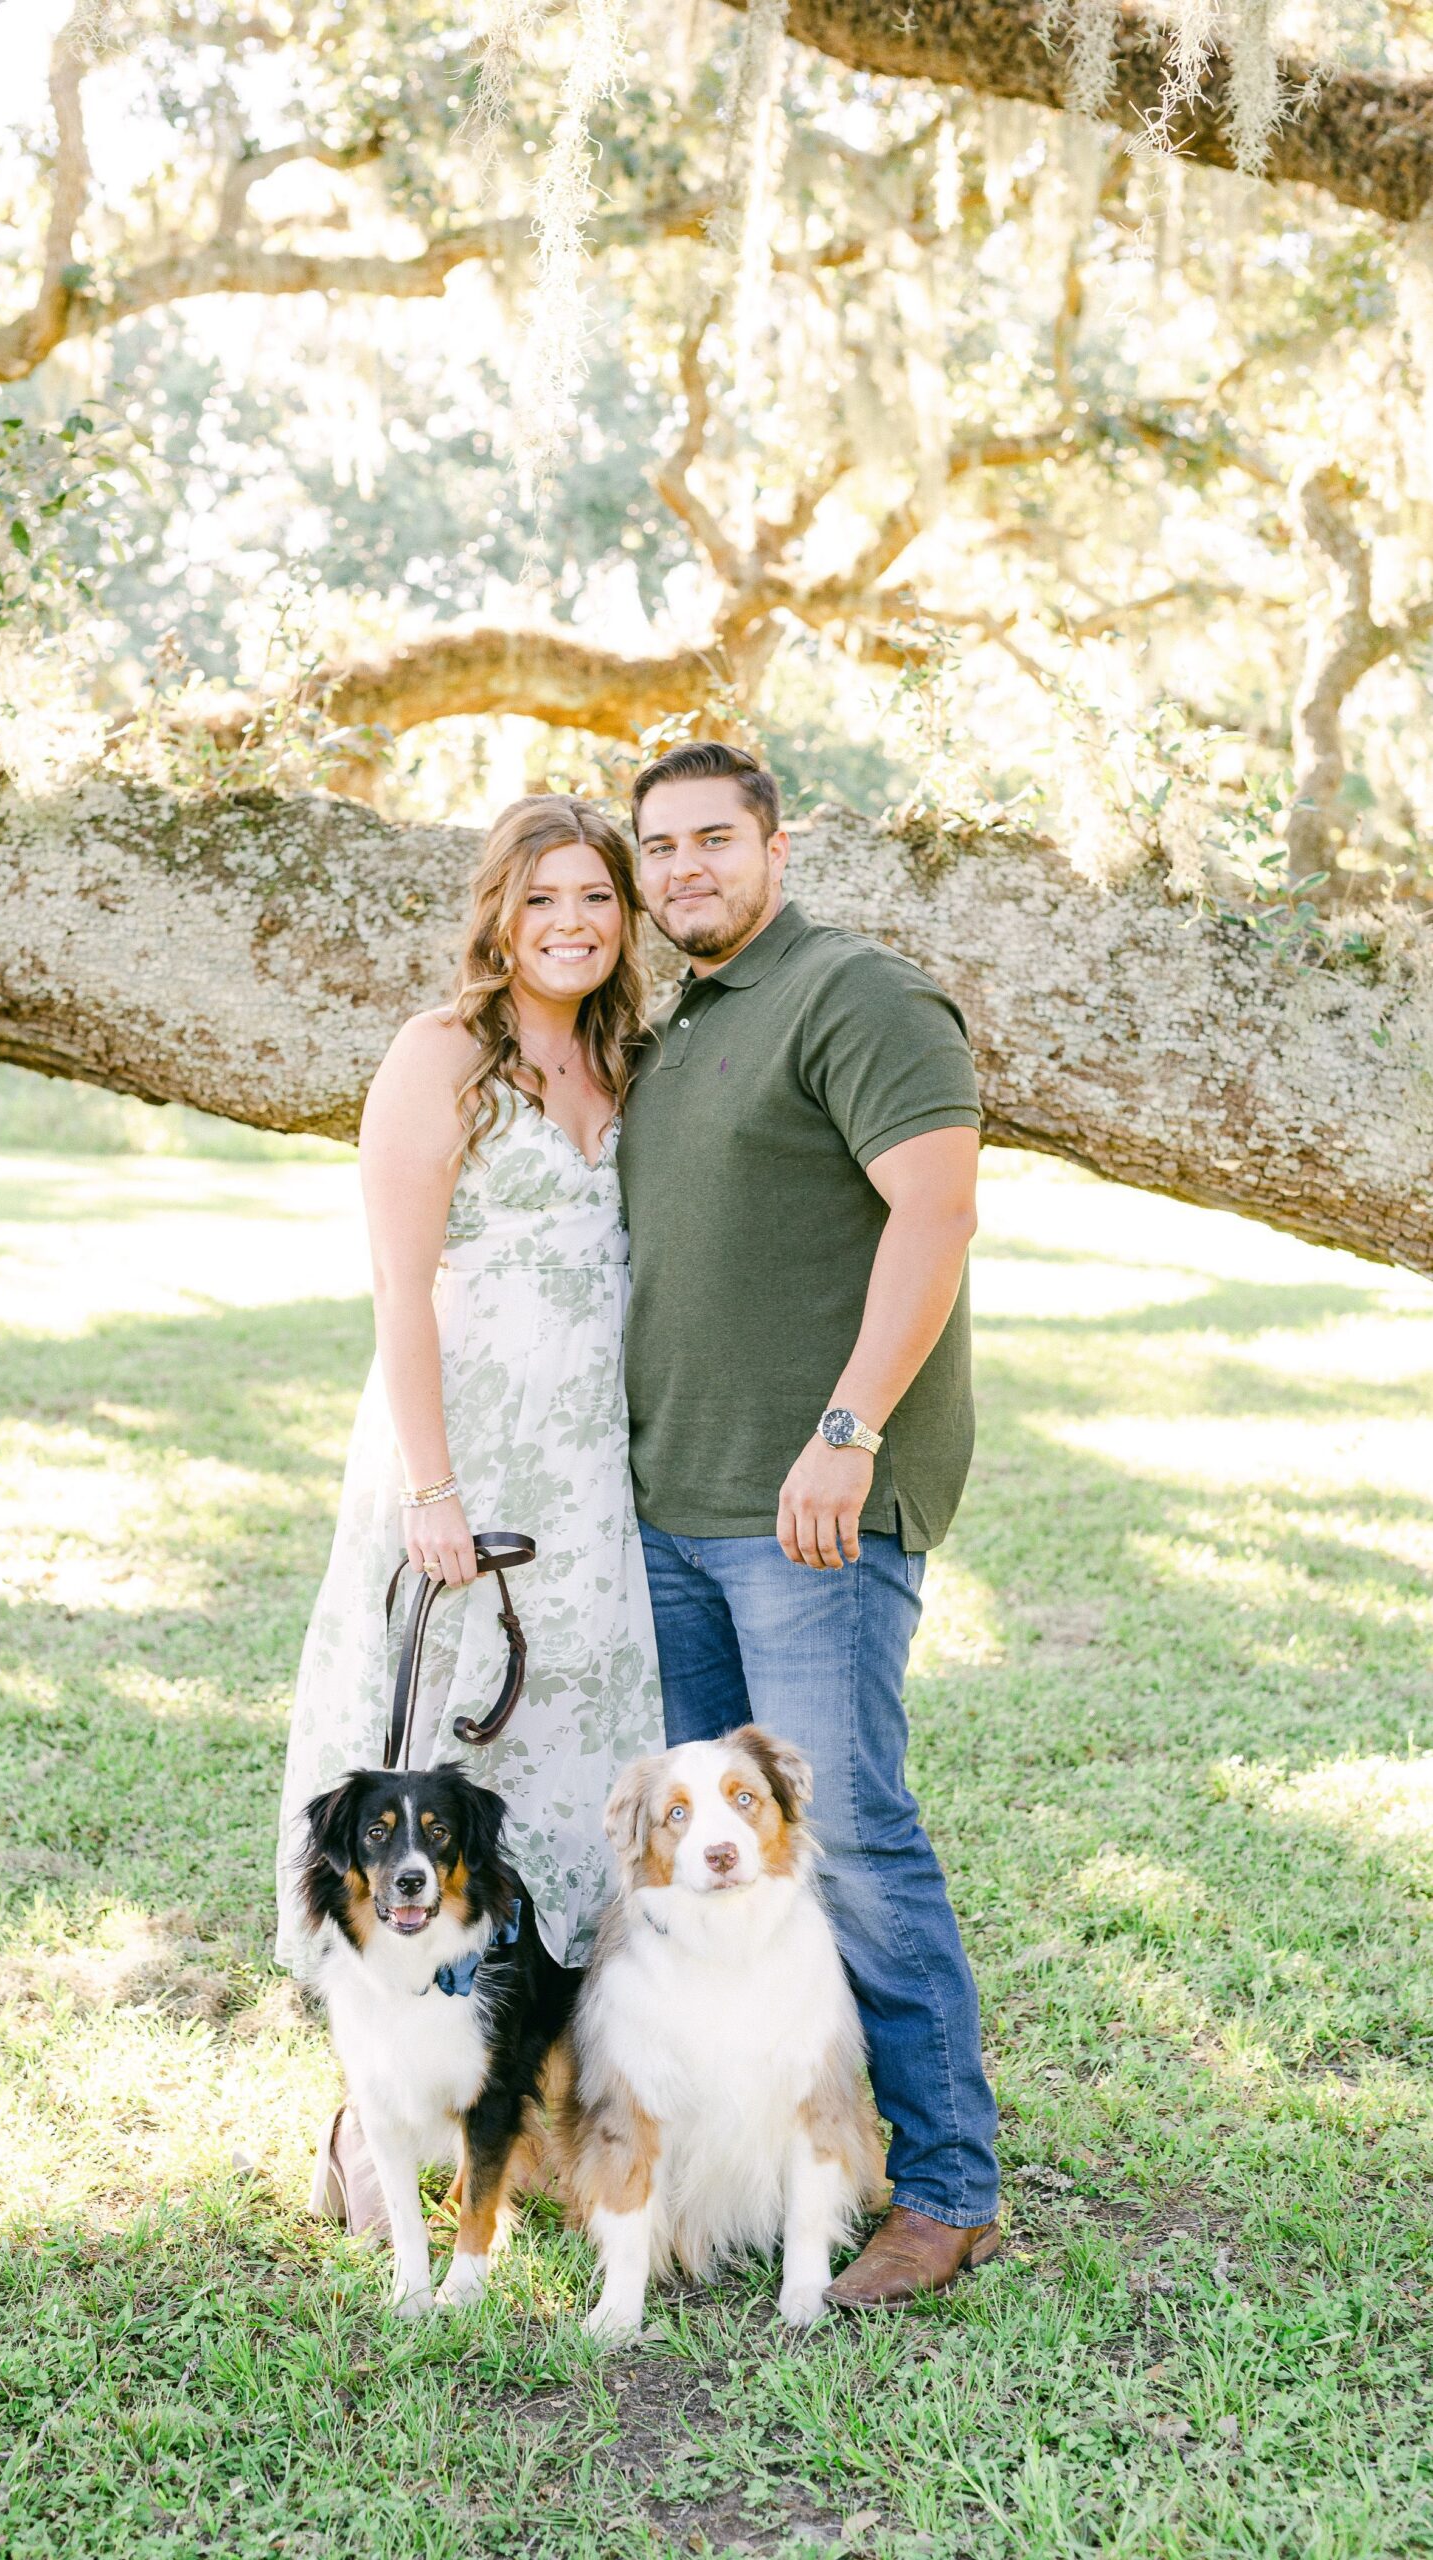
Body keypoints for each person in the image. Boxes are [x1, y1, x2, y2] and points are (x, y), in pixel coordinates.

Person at [618, 738, 1000, 2309]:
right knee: (726, 1867)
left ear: (779, 845)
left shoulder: (858, 995)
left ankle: (952, 2190)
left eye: (715, 838)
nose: (686, 868)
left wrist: (847, 1435)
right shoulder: (683, 1022)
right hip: (673, 1509)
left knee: (851, 1852)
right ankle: (763, 2165)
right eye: (662, 848)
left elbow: (940, 1210)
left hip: (816, 1514)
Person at [275, 793, 667, 2223]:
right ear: (498, 912)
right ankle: (360, 2132)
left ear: (625, 924)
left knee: (559, 1786)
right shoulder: (442, 1055)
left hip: (591, 1491)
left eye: (598, 900)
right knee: (424, 1776)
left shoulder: (623, 1057)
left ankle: (526, 2117)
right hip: (465, 1478)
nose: (571, 923)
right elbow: (401, 1283)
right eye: (543, 897)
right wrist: (432, 1489)